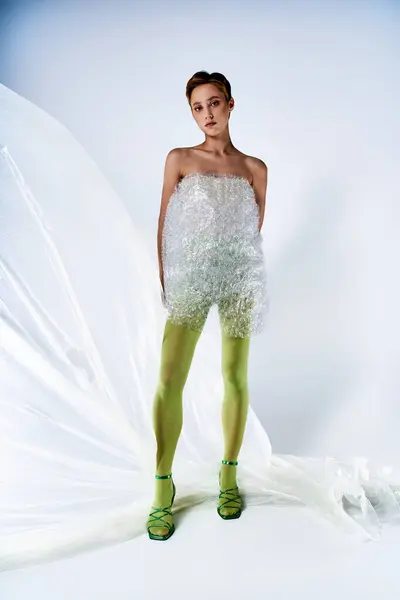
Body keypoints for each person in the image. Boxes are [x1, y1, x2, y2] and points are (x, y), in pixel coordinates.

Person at [146, 71, 269, 540]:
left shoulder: (255, 168)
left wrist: (237, 267)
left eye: (214, 103)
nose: (207, 114)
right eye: (198, 107)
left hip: (238, 276)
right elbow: (164, 221)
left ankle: (229, 476)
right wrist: (168, 276)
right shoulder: (179, 159)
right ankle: (162, 487)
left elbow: (252, 227)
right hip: (190, 275)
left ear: (231, 104)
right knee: (168, 379)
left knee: (235, 377)